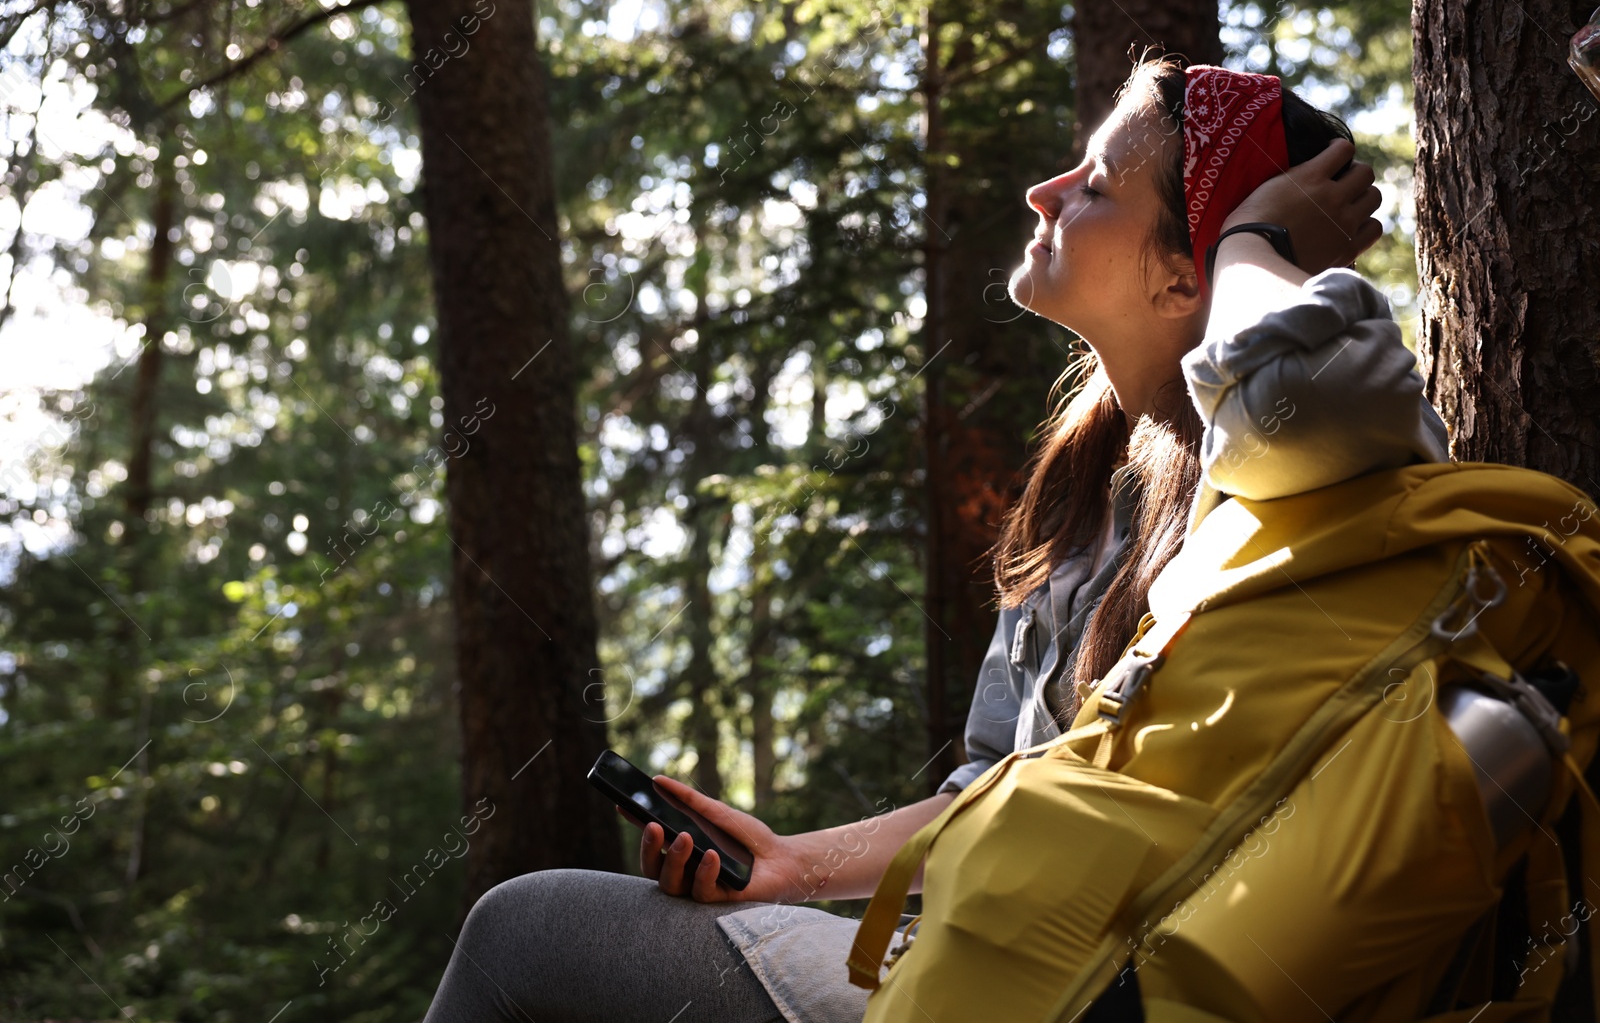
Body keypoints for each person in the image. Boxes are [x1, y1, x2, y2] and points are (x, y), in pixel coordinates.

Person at [420, 56, 1446, 1023]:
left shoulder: (1318, 449)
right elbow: (991, 792)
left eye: (1094, 186)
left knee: (522, 930)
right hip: (998, 958)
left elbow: (1295, 393)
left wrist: (1250, 241)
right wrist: (790, 862)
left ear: (1189, 276)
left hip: (1105, 991)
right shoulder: (1088, 489)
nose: (1043, 193)